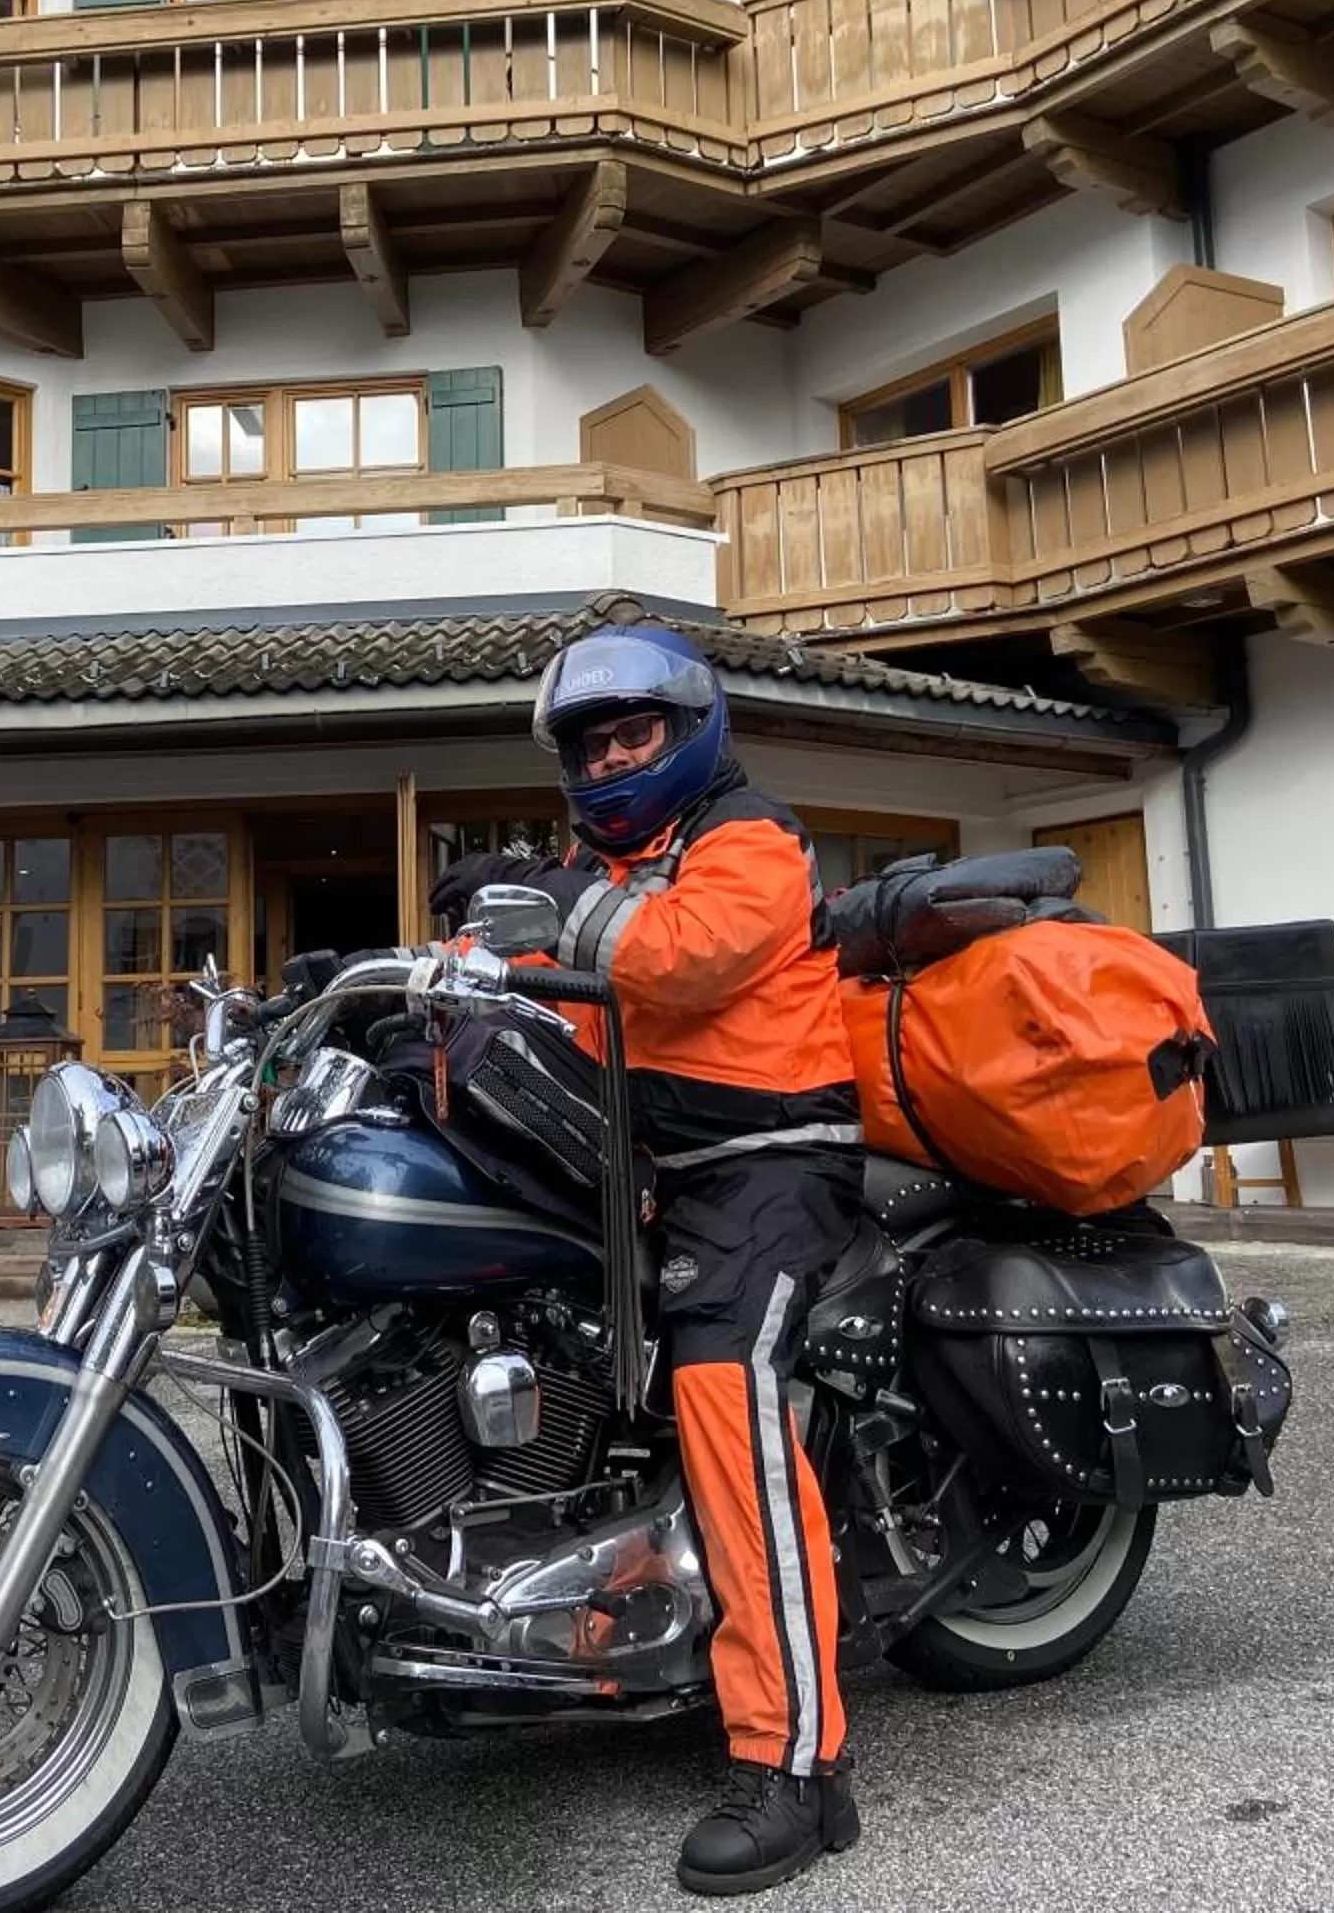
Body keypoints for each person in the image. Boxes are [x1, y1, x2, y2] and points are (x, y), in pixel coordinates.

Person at [473, 622, 866, 1895]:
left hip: (770, 1164)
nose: (608, 759)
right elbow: (524, 971)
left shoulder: (748, 841)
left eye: (631, 734)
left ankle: (797, 1764)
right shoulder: (602, 869)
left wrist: (549, 911)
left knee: (725, 1397)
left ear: (689, 733)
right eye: (590, 744)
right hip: (642, 1166)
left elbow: (682, 958)